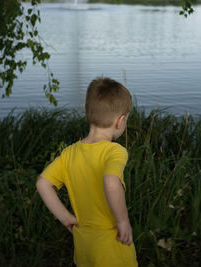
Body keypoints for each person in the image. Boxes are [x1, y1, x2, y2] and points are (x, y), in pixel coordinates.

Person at [36, 77, 138, 267]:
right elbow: (110, 182)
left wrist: (65, 217)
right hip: (112, 249)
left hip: (84, 249)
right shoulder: (114, 151)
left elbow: (42, 184)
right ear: (120, 121)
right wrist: (123, 221)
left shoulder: (69, 154)